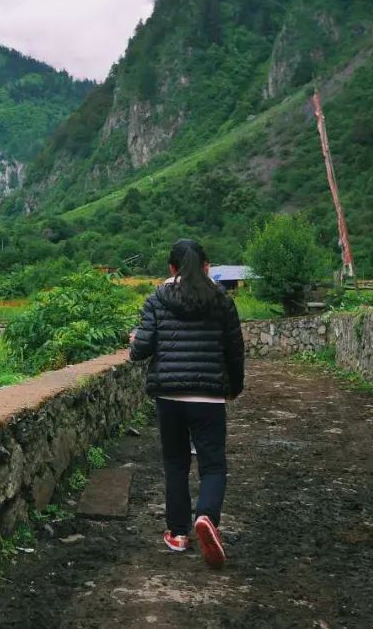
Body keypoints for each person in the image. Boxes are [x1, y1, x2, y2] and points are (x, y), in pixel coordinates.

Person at [129, 238, 245, 568]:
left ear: (171, 268)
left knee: (176, 463)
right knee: (213, 465)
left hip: (169, 396)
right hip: (208, 397)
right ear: (206, 266)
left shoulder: (157, 298)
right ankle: (206, 516)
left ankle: (178, 533)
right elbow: (234, 351)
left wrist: (134, 341)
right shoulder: (222, 301)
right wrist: (234, 388)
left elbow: (143, 349)